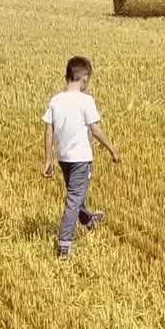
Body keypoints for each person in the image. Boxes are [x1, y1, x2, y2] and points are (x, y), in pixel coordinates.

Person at [42, 55, 120, 258]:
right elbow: (95, 130)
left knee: (76, 197)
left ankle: (88, 220)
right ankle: (64, 245)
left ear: (67, 76)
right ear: (84, 78)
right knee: (74, 199)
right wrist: (112, 148)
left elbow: (49, 131)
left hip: (63, 158)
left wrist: (48, 159)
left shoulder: (55, 100)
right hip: (81, 159)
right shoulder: (86, 101)